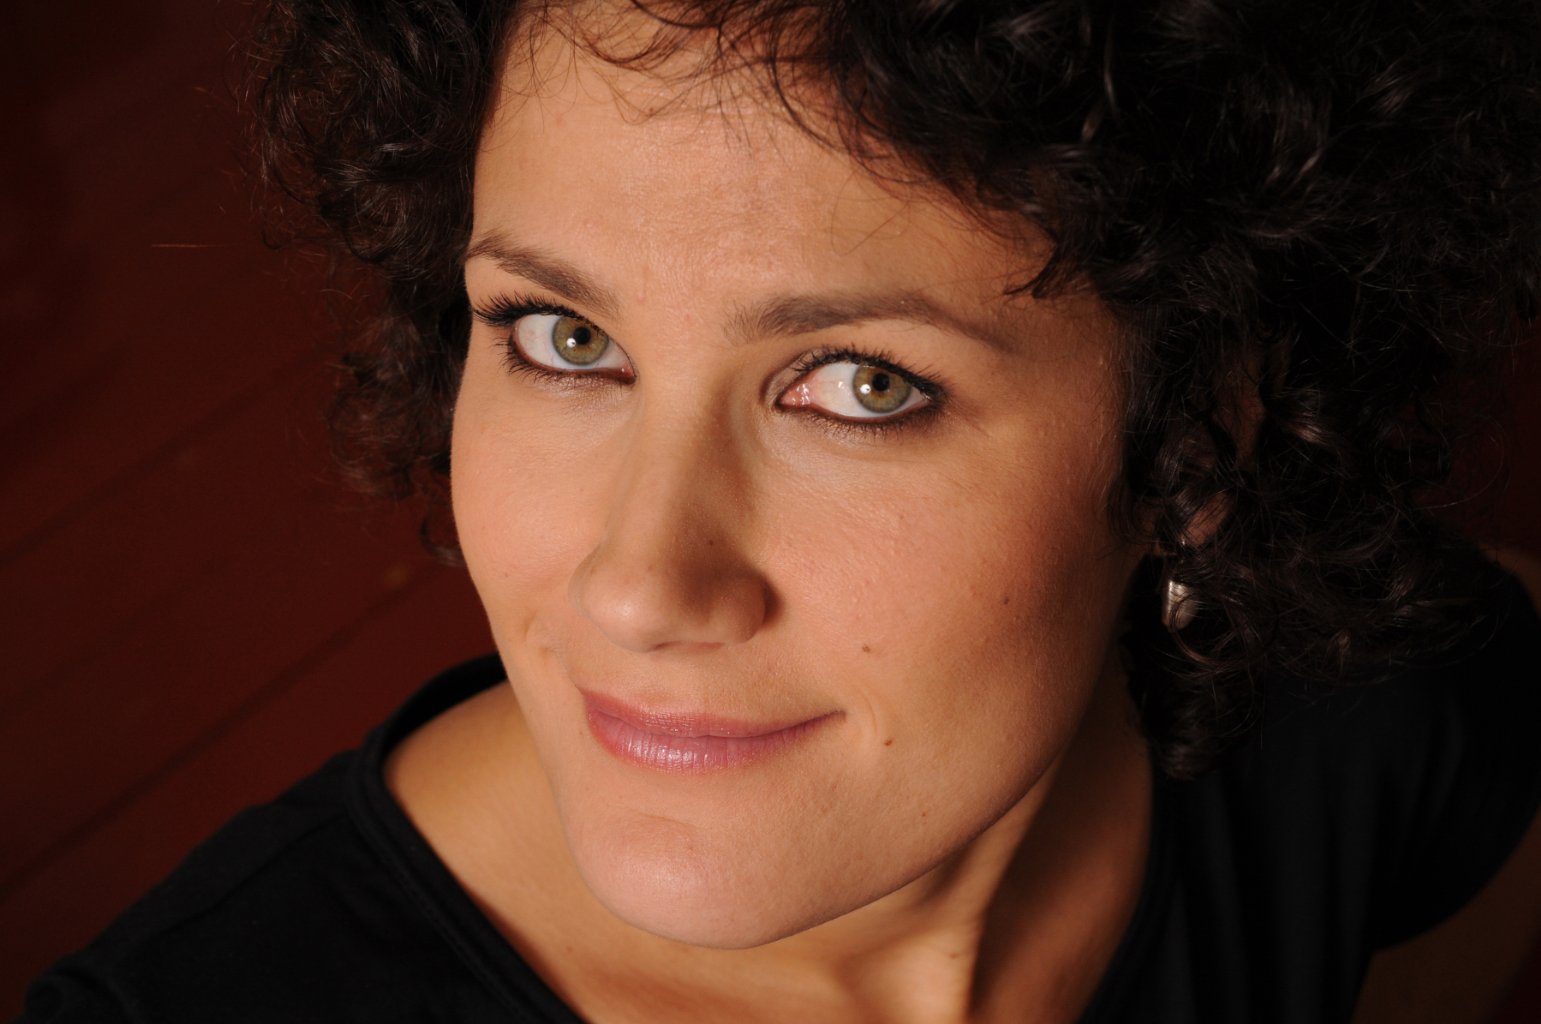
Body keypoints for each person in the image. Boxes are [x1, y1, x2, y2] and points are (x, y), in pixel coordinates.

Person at [18, 0, 1541, 1021]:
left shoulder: (1387, 721)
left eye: (862, 385)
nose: (637, 586)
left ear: (1196, 442)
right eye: (565, 337)